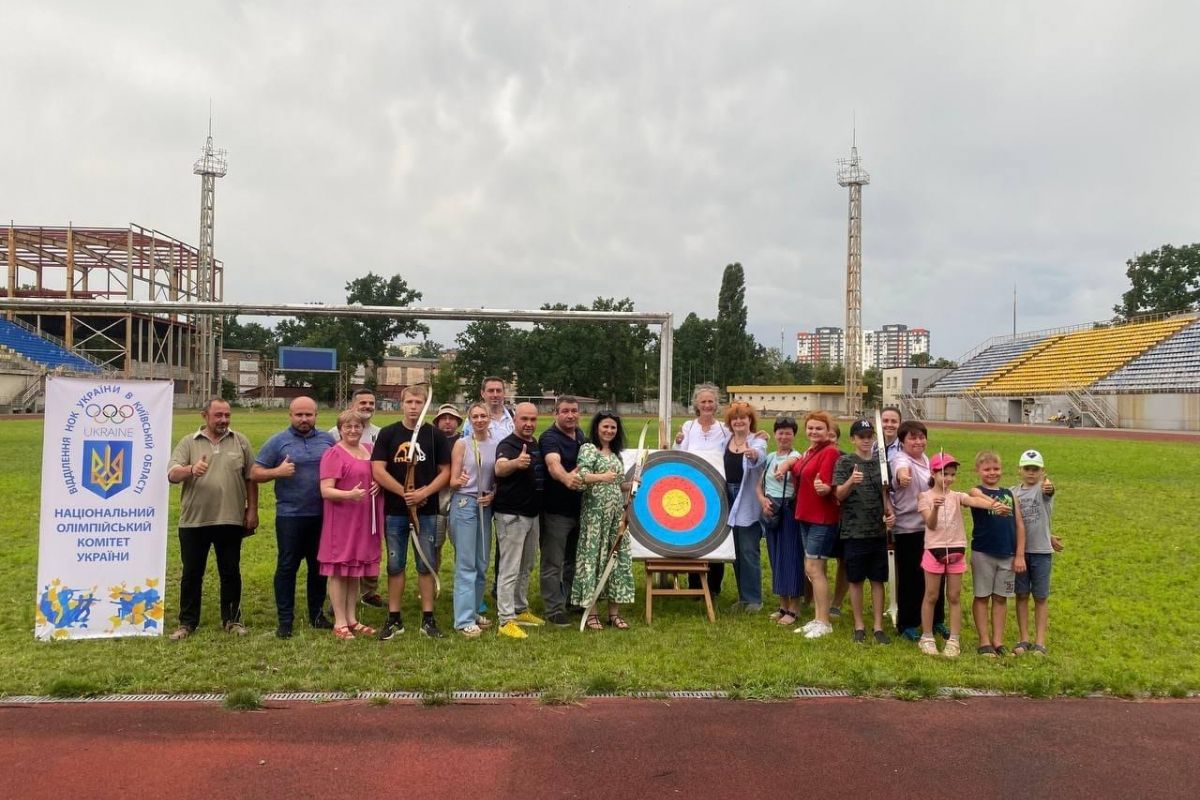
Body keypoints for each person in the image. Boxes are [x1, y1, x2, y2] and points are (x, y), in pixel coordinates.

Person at [166, 398, 258, 640]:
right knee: (192, 573)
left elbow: (251, 478)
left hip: (230, 518)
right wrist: (190, 470)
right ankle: (187, 623)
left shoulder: (240, 441)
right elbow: (172, 474)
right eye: (218, 415)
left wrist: (252, 510)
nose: (224, 420)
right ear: (204, 416)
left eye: (227, 415)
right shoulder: (189, 442)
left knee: (230, 572)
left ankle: (231, 619)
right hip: (194, 521)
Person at [251, 396, 336, 639]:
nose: (304, 419)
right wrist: (277, 472)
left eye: (308, 415)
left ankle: (317, 614)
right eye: (299, 415)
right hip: (290, 515)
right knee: (287, 566)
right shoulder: (278, 442)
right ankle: (285, 620)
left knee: (318, 567)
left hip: (322, 514)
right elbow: (255, 473)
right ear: (290, 415)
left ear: (316, 416)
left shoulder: (327, 441)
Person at [371, 385, 451, 640]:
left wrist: (423, 493)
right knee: (395, 565)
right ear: (402, 404)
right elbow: (378, 470)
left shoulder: (434, 435)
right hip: (395, 512)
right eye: (410, 402)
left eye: (419, 402)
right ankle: (394, 618)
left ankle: (428, 618)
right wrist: (403, 493)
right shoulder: (388, 433)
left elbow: (446, 471)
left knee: (425, 564)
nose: (414, 406)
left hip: (426, 512)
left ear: (424, 404)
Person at [916, 453, 1009, 658]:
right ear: (933, 473)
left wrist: (994, 505)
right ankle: (927, 637)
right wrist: (936, 508)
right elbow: (930, 525)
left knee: (954, 596)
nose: (948, 478)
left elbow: (974, 500)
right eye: (943, 474)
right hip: (934, 550)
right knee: (931, 595)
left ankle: (954, 640)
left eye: (952, 474)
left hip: (957, 550)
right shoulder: (924, 497)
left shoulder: (956, 496)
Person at [318, 410, 384, 639]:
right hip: (342, 520)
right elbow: (325, 489)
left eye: (357, 426)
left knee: (355, 570)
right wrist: (348, 495)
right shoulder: (333, 454)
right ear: (340, 430)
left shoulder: (370, 451)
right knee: (339, 570)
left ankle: (352, 618)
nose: (353, 430)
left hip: (365, 519)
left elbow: (376, 476)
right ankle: (339, 621)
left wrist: (379, 486)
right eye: (348, 427)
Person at [834, 419, 896, 644]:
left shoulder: (881, 462)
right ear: (853, 439)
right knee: (856, 579)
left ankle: (878, 626)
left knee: (878, 580)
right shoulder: (845, 462)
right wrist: (851, 481)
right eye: (861, 436)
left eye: (869, 435)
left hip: (878, 531)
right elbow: (839, 495)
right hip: (854, 531)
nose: (866, 439)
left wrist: (889, 513)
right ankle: (859, 624)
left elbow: (885, 493)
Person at [572, 411, 634, 630]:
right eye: (605, 427)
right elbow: (580, 477)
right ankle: (592, 613)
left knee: (616, 559)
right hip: (595, 517)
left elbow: (617, 483)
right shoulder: (588, 449)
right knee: (594, 560)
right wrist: (602, 477)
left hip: (615, 517)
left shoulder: (616, 455)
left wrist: (631, 484)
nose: (609, 431)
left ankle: (614, 613)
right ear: (597, 428)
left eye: (613, 428)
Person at [492, 402, 548, 639]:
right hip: (511, 516)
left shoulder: (534, 443)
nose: (529, 424)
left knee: (526, 566)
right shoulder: (507, 445)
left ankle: (520, 608)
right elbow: (499, 467)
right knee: (510, 568)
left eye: (533, 420)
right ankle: (506, 620)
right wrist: (515, 463)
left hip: (532, 515)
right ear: (514, 419)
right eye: (524, 419)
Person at [888, 420, 946, 642]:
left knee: (937, 575)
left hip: (932, 528)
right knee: (912, 578)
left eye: (921, 437)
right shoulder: (901, 459)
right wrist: (903, 477)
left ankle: (937, 620)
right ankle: (908, 623)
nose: (918, 441)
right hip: (909, 529)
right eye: (912, 437)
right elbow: (901, 472)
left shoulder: (926, 460)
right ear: (902, 441)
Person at [329, 388, 384, 608]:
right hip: (344, 502)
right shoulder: (334, 432)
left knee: (369, 544)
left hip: (369, 502)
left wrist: (379, 480)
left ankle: (369, 591)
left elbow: (380, 464)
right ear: (353, 405)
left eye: (371, 403)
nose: (367, 407)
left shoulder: (379, 433)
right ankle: (337, 600)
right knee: (344, 551)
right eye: (363, 403)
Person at [448, 402, 498, 637]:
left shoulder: (496, 445)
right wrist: (460, 480)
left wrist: (493, 495)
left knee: (481, 562)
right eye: (475, 416)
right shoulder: (462, 444)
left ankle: (474, 609)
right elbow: (453, 480)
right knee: (466, 564)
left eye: (483, 416)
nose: (479, 420)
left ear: (489, 418)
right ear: (469, 419)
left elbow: (496, 480)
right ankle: (463, 619)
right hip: (465, 504)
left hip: (484, 506)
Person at [968, 451, 1025, 657]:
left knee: (1001, 598)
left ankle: (998, 640)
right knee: (982, 596)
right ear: (978, 471)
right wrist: (993, 503)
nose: (992, 473)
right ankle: (984, 641)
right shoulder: (977, 491)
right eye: (987, 469)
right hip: (983, 552)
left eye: (996, 469)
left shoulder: (1010, 495)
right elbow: (975, 495)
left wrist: (1019, 555)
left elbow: (1019, 525)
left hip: (1007, 554)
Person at [791, 411, 842, 638]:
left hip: (822, 517)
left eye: (819, 428)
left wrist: (825, 488)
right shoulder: (811, 451)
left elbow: (826, 482)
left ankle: (824, 621)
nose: (813, 432)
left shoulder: (829, 451)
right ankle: (818, 617)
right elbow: (799, 470)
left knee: (815, 569)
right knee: (811, 568)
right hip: (806, 515)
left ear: (828, 431)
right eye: (810, 428)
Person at [539, 395, 587, 626]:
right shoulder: (549, 437)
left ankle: (569, 599)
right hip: (556, 512)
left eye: (574, 411)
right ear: (555, 413)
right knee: (553, 562)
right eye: (565, 411)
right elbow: (553, 464)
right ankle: (554, 609)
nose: (570, 415)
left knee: (573, 560)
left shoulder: (581, 437)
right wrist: (566, 478)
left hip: (580, 510)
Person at [1011, 449, 1061, 656]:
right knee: (1021, 595)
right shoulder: (1012, 492)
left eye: (1036, 469)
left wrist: (1049, 487)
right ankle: (1024, 638)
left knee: (1040, 597)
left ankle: (1040, 642)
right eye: (1027, 468)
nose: (1031, 472)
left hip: (1041, 552)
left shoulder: (1043, 489)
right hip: (1020, 552)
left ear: (1043, 471)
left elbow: (1049, 491)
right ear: (1019, 470)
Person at [757, 416, 803, 626]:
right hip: (771, 508)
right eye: (780, 432)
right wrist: (762, 500)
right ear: (775, 434)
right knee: (775, 557)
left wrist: (787, 464)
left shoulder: (796, 457)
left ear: (794, 435)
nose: (784, 436)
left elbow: (795, 463)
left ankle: (794, 608)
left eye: (788, 433)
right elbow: (758, 485)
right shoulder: (769, 457)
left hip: (789, 509)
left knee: (791, 557)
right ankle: (782, 604)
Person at [723, 402, 768, 612]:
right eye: (735, 419)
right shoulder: (725, 441)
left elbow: (760, 456)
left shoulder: (757, 441)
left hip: (747, 500)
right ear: (730, 423)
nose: (739, 422)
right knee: (735, 552)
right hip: (726, 499)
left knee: (749, 550)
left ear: (750, 421)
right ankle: (743, 597)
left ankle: (754, 599)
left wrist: (753, 455)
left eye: (743, 418)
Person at [433, 403, 463, 565]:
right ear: (437, 422)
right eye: (443, 418)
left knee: (461, 545)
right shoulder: (430, 440)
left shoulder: (465, 442)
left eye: (451, 418)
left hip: (458, 498)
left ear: (458, 422)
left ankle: (461, 586)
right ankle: (431, 585)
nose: (447, 422)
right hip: (436, 499)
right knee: (434, 546)